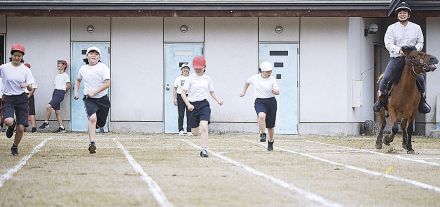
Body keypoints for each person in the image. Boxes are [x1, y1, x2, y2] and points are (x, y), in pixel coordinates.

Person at [373, 1, 429, 113]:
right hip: (396, 58)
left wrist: (413, 51)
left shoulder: (416, 27)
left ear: (408, 15)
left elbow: (420, 42)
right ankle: (381, 101)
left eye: (404, 12)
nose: (402, 14)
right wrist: (399, 50)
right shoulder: (391, 28)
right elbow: (388, 43)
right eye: (400, 13)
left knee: (421, 79)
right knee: (385, 79)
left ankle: (422, 102)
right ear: (397, 15)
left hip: (412, 60)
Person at [181, 56, 223, 157]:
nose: (198, 70)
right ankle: (199, 129)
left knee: (204, 126)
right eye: (196, 69)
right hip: (192, 106)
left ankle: (204, 150)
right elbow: (183, 93)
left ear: (204, 67)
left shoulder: (208, 79)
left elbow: (211, 92)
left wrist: (218, 100)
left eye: (200, 68)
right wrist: (188, 104)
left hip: (204, 105)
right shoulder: (190, 78)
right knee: (195, 132)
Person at [0, 43, 35, 155]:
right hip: (8, 97)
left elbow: (31, 87)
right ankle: (12, 124)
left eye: (19, 56)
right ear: (12, 55)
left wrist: (26, 85)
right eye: (15, 55)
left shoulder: (25, 70)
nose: (17, 58)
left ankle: (14, 146)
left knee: (21, 128)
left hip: (22, 98)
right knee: (8, 120)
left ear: (22, 57)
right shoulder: (4, 68)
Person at [74, 46, 110, 154]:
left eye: (96, 54)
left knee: (101, 124)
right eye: (91, 53)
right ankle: (92, 143)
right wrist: (76, 91)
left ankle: (97, 127)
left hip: (103, 99)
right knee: (92, 118)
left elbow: (107, 83)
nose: (93, 55)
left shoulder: (103, 67)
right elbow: (78, 80)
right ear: (87, 56)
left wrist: (95, 92)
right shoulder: (83, 68)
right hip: (89, 99)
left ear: (99, 57)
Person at [240, 61, 279, 151]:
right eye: (267, 72)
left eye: (270, 71)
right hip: (260, 101)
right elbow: (247, 82)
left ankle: (271, 141)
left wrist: (276, 91)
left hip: (271, 102)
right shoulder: (255, 78)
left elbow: (277, 90)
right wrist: (243, 92)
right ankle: (262, 134)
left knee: (270, 127)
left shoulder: (272, 79)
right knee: (261, 116)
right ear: (262, 71)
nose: (269, 73)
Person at [39, 60, 70, 133]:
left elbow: (68, 86)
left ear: (64, 66)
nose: (58, 65)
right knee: (57, 111)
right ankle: (62, 128)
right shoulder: (57, 76)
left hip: (60, 93)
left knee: (48, 106)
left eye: (60, 64)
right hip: (55, 92)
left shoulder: (65, 75)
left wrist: (63, 92)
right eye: (58, 64)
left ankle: (46, 122)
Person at [173, 63, 192, 136]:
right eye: (184, 68)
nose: (185, 69)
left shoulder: (191, 78)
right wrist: (174, 99)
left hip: (189, 97)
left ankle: (189, 130)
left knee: (189, 114)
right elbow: (174, 88)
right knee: (181, 114)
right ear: (181, 70)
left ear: (189, 70)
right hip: (180, 96)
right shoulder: (178, 78)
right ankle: (180, 130)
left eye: (187, 68)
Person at [23, 63, 38, 133]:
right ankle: (23, 127)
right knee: (22, 112)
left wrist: (28, 96)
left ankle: (34, 127)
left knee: (31, 111)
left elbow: (33, 88)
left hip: (29, 95)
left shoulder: (31, 78)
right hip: (22, 95)